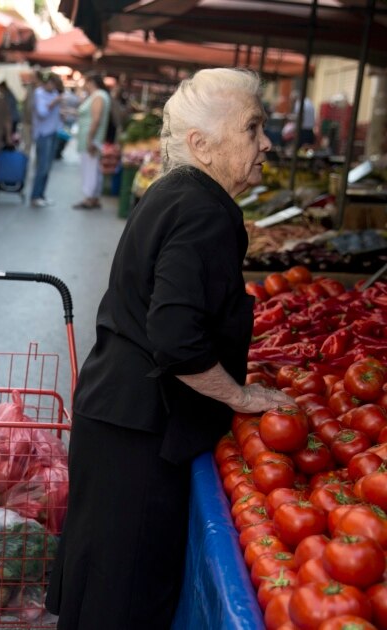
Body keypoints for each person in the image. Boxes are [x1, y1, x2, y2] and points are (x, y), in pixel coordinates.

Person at [44, 67, 294, 629]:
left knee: (102, 589)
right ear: (201, 145)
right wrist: (239, 394)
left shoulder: (175, 193)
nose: (266, 143)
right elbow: (176, 339)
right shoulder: (205, 212)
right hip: (138, 434)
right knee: (123, 599)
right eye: (253, 128)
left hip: (116, 417)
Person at [73, 75, 111, 209]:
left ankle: (89, 198)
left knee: (89, 168)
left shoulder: (98, 96)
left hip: (91, 139)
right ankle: (93, 197)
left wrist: (90, 139)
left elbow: (96, 119)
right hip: (93, 138)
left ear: (91, 82)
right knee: (93, 168)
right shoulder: (99, 95)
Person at [29, 75, 64, 208]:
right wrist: (55, 102)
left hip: (53, 133)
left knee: (48, 167)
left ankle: (41, 194)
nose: (53, 87)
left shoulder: (54, 93)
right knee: (42, 167)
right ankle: (35, 196)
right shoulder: (39, 94)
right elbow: (42, 113)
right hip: (43, 134)